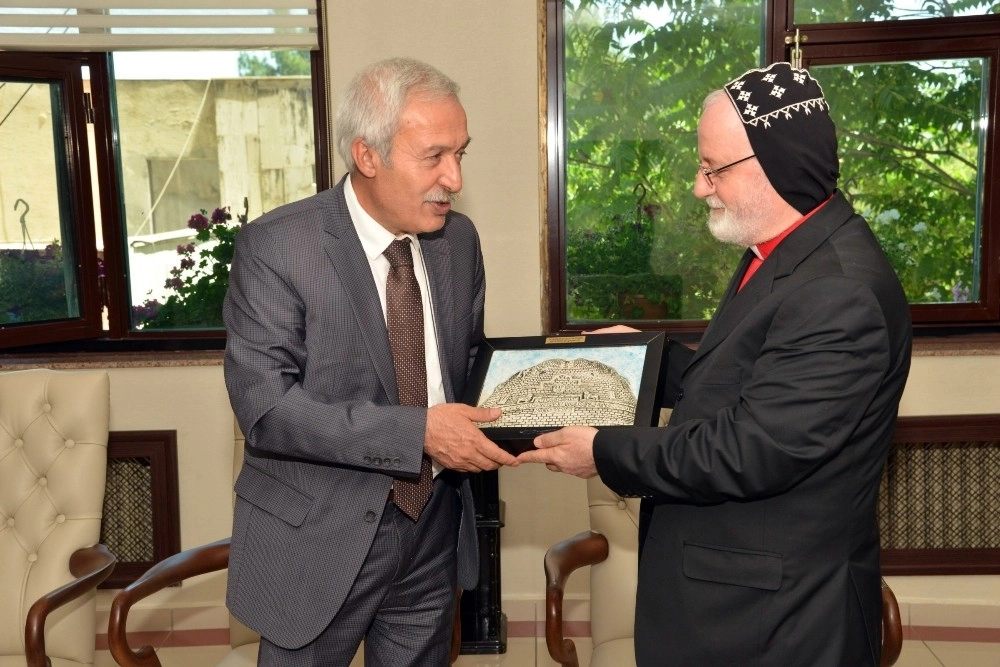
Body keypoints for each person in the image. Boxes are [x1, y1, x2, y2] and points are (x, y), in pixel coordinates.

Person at [520, 62, 912, 666]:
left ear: (776, 164)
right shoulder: (783, 248)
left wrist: (601, 451)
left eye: (713, 168)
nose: (699, 187)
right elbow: (752, 377)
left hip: (771, 625)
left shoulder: (839, 291)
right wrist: (647, 358)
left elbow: (748, 450)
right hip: (733, 606)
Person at [222, 57, 518, 666]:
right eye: (434, 156)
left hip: (432, 526)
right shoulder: (278, 248)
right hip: (317, 537)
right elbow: (269, 410)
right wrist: (421, 433)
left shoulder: (458, 242)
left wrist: (568, 366)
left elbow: (465, 362)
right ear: (367, 155)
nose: (455, 178)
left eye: (461, 153)